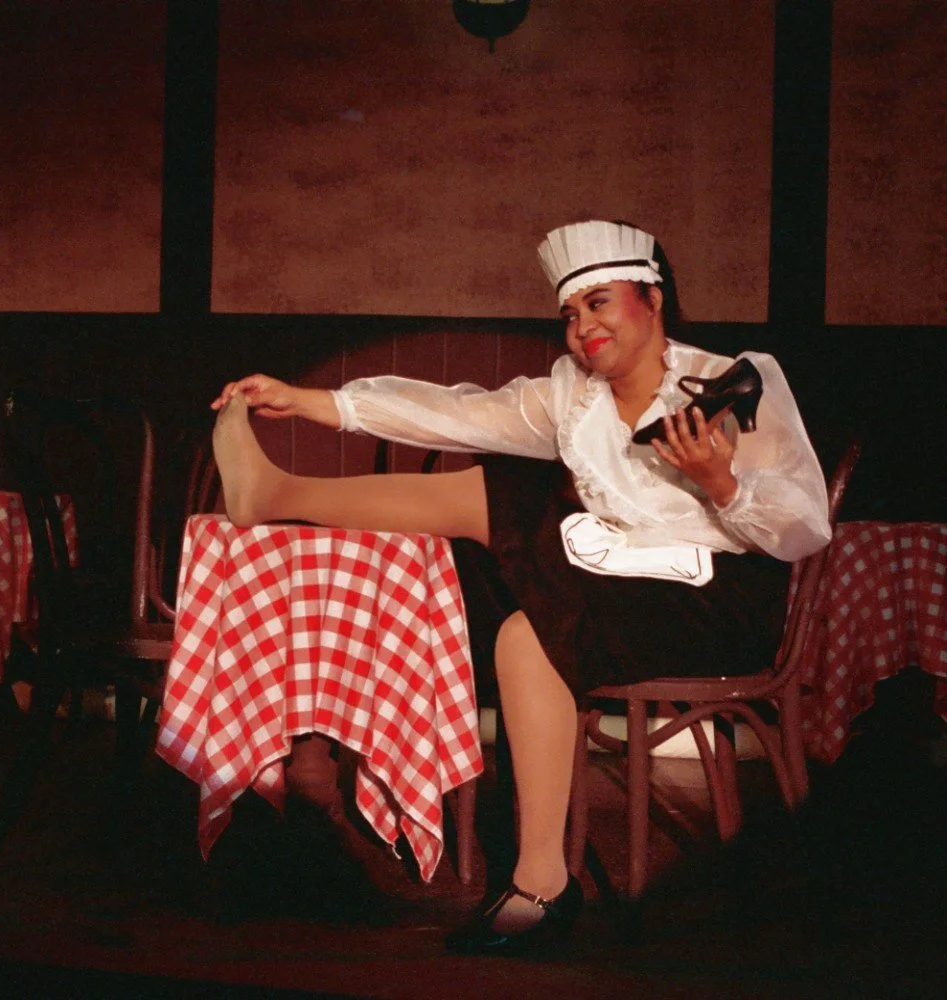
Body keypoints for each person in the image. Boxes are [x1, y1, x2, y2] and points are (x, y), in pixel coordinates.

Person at [208, 219, 831, 955]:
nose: (583, 328)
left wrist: (720, 482)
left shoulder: (734, 380)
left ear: (652, 298)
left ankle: (541, 886)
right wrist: (312, 402)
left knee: (528, 593)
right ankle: (277, 497)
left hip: (719, 600)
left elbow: (803, 528)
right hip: (611, 586)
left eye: (600, 303)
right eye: (570, 314)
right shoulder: (575, 398)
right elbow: (458, 412)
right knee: (509, 518)